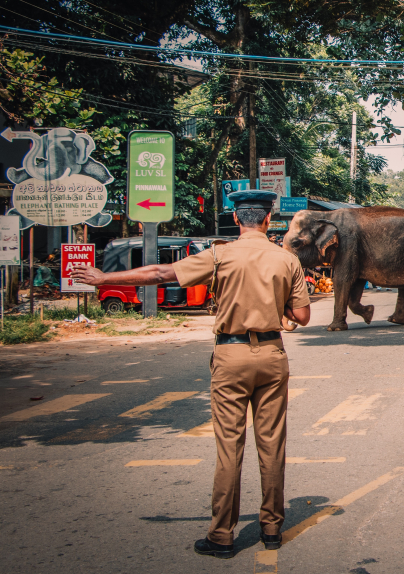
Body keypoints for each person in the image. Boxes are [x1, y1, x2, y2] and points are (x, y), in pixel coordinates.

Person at [71, 190, 310, 559]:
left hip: (230, 355)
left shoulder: (219, 255)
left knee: (230, 446)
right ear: (267, 220)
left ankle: (222, 535)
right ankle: (272, 528)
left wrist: (104, 278)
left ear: (236, 220)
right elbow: (303, 316)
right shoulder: (287, 259)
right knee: (272, 443)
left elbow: (159, 272)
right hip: (272, 354)